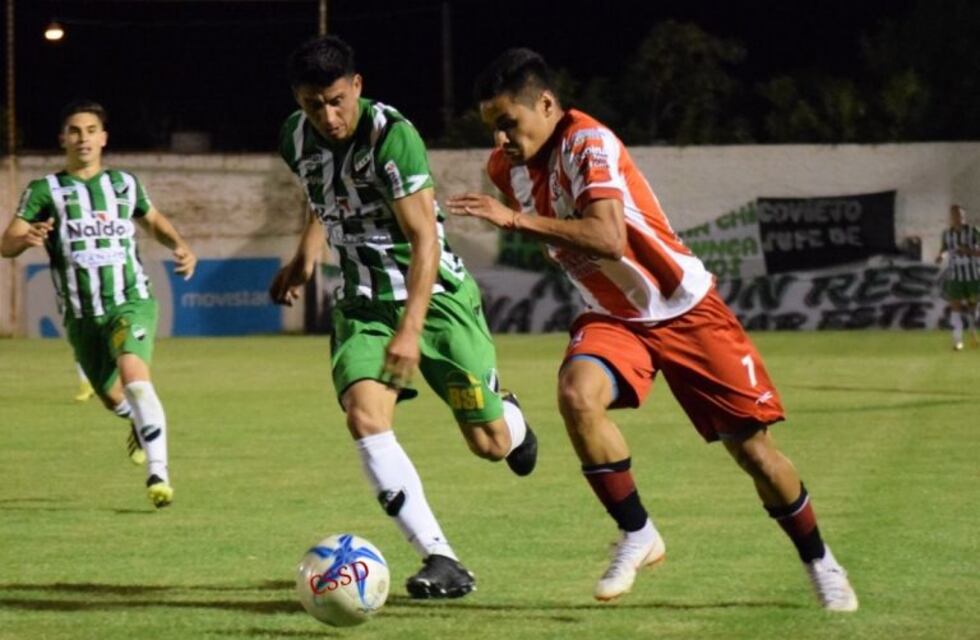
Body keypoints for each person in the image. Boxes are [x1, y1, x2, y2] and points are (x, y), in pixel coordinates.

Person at [446, 48, 858, 611]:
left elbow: (610, 237)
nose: (500, 140)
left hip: (684, 308)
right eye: (492, 128)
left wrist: (516, 220)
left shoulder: (588, 141)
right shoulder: (508, 169)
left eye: (508, 123)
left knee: (754, 452)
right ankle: (637, 531)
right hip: (614, 316)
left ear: (546, 103)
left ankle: (820, 561)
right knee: (576, 395)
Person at [269, 35, 537, 600]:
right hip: (362, 306)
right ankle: (441, 557)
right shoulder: (295, 138)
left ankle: (511, 419)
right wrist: (303, 256)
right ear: (298, 100)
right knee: (365, 417)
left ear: (357, 87)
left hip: (434, 301)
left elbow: (424, 241)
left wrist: (411, 329)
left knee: (490, 444)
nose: (328, 116)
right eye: (314, 104)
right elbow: (326, 197)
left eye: (338, 100)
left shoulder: (392, 138)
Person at [1, 100, 196, 507]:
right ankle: (137, 425)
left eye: (91, 130)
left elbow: (153, 219)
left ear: (103, 138)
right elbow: (7, 242)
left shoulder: (124, 184)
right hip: (80, 313)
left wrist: (180, 245)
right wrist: (28, 237)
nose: (83, 138)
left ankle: (158, 473)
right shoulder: (44, 191)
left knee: (134, 374)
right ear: (63, 139)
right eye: (74, 130)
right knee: (112, 396)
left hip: (130, 300)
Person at [935, 204, 980, 350]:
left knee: (973, 308)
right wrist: (940, 256)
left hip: (973, 276)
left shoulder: (973, 232)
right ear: (951, 218)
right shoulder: (947, 234)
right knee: (956, 308)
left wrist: (967, 250)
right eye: (954, 216)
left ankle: (973, 330)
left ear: (964, 217)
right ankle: (958, 341)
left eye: (959, 216)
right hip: (955, 277)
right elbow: (944, 249)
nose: (957, 218)